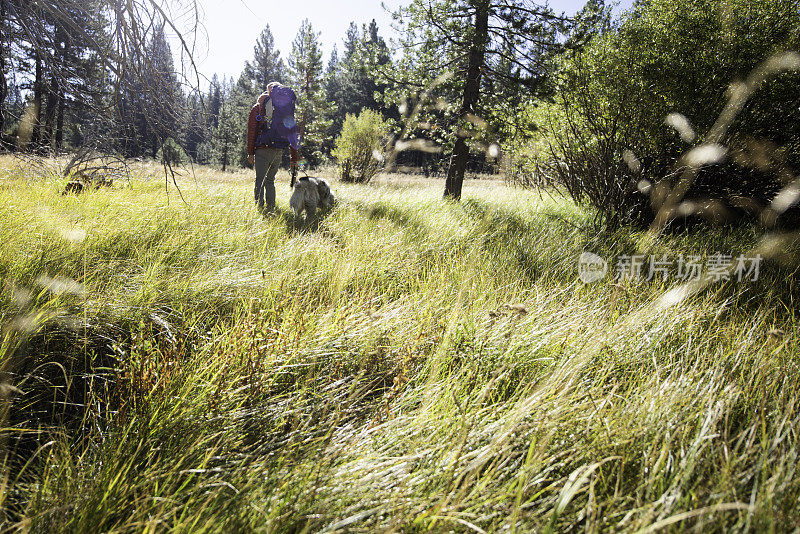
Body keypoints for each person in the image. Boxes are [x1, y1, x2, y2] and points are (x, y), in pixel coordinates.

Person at [246, 82, 300, 213]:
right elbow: (292, 135)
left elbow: (252, 131)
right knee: (270, 181)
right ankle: (271, 208)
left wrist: (250, 152)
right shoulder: (286, 110)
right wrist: (294, 158)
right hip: (278, 150)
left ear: (269, 91)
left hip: (262, 149)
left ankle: (260, 209)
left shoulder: (258, 107)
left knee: (260, 180)